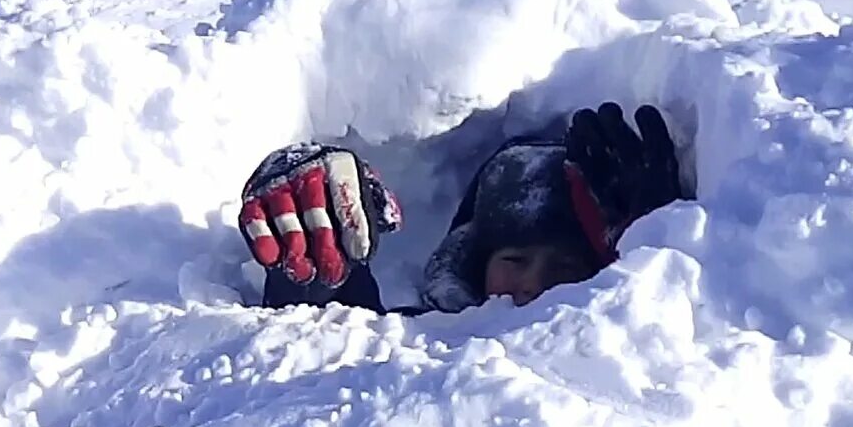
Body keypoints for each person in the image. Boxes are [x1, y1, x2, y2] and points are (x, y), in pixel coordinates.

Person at [238, 102, 689, 315]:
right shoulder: (421, 341)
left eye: (566, 265)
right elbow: (327, 336)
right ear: (475, 262)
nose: (532, 283)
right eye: (514, 259)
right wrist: (319, 271)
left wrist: (654, 256)